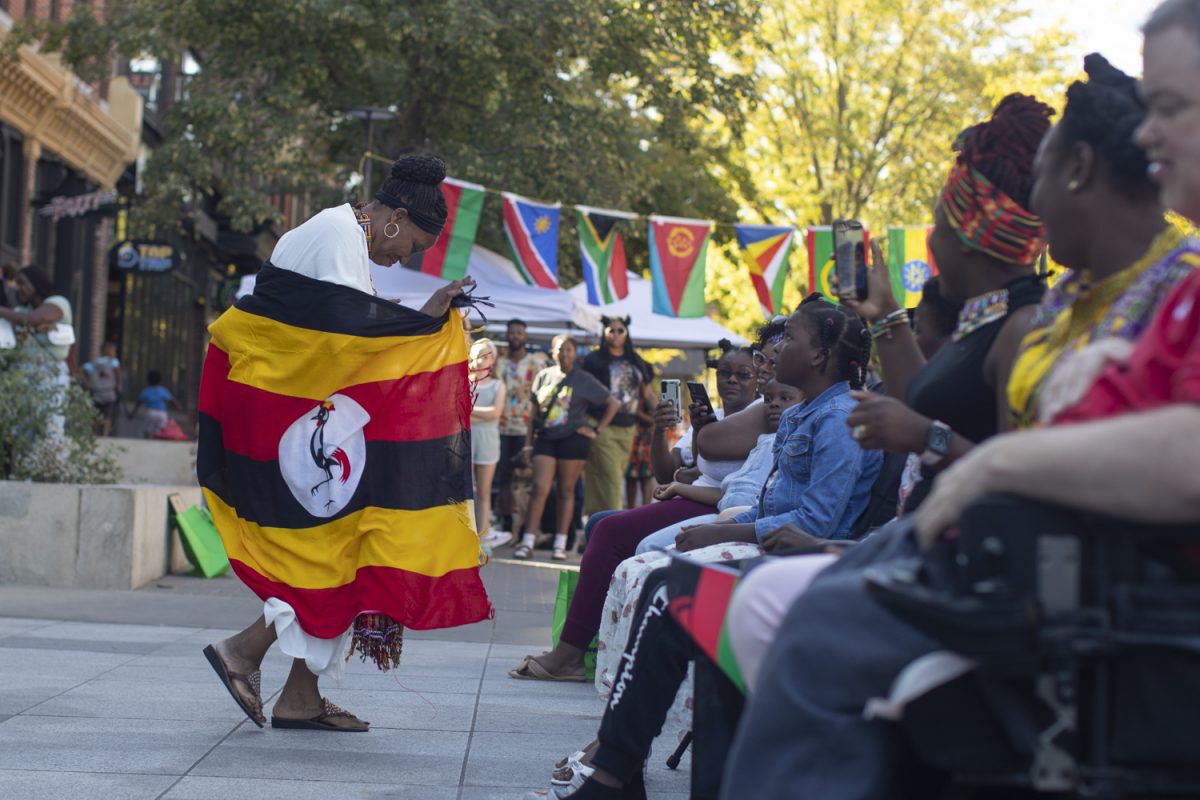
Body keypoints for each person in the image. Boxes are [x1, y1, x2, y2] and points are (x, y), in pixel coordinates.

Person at [722, 56, 1200, 798]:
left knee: (792, 622)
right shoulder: (1064, 304)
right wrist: (891, 328)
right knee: (758, 604)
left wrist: (944, 448)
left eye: (1173, 106)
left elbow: (997, 448)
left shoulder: (1100, 305)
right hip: (990, 548)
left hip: (1069, 587)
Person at [200, 154, 491, 733]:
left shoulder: (343, 238)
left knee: (345, 545)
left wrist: (424, 321)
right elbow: (343, 348)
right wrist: (423, 325)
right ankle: (244, 651)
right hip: (284, 424)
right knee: (331, 548)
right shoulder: (336, 235)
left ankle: (298, 694)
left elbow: (346, 340)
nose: (404, 256)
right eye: (410, 243)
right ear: (395, 218)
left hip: (300, 420)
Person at [549, 297, 883, 800]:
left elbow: (817, 521)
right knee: (635, 570)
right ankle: (620, 752)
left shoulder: (836, 418)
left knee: (661, 585)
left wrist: (727, 532)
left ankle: (618, 761)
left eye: (790, 338)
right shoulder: (799, 413)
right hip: (770, 538)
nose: (776, 348)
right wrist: (723, 525)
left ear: (819, 356)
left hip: (809, 555)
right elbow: (772, 499)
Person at [509, 342, 762, 681]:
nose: (732, 381)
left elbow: (714, 471)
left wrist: (687, 468)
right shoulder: (711, 412)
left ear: (760, 378)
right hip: (689, 495)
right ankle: (597, 642)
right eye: (724, 373)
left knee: (611, 532)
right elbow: (665, 469)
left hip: (713, 503)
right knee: (600, 522)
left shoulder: (762, 412)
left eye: (743, 375)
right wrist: (660, 429)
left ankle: (570, 653)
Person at [514, 335, 620, 561]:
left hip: (573, 439)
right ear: (553, 352)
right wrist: (527, 445)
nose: (565, 354)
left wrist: (596, 430)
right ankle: (527, 541)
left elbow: (613, 403)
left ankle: (560, 544)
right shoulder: (543, 376)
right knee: (539, 488)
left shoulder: (583, 379)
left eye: (569, 350)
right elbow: (532, 415)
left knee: (566, 490)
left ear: (575, 353)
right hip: (545, 438)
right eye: (560, 350)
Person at [580, 316, 654, 515]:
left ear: (627, 333)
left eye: (620, 330)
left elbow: (647, 393)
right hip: (602, 426)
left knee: (607, 478)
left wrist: (660, 414)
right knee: (613, 482)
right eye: (611, 330)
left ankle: (595, 524)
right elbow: (581, 392)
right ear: (604, 333)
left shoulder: (635, 360)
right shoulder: (593, 360)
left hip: (628, 429)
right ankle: (616, 526)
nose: (615, 334)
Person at [0, 266, 74, 440]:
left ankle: (50, 465)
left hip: (51, 377)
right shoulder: (20, 312)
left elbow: (34, 320)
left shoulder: (58, 303)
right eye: (17, 284)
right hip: (24, 378)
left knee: (50, 429)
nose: (19, 288)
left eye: (23, 283)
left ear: (36, 283)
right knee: (22, 431)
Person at [495, 318, 549, 537]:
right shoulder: (499, 362)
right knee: (505, 476)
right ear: (507, 335)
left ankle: (527, 523)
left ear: (525, 336)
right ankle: (507, 521)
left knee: (526, 478)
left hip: (525, 429)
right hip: (501, 427)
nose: (515, 336)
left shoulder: (535, 363)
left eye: (519, 333)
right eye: (512, 333)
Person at [469, 338, 508, 547]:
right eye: (475, 354)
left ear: (492, 358)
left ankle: (481, 538)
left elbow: (495, 413)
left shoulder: (497, 385)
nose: (478, 360)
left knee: (484, 491)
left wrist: (469, 409)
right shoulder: (464, 381)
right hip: (466, 439)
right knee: (465, 490)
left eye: (484, 355)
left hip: (487, 442)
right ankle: (463, 535)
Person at [623, 382, 657, 508]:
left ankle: (646, 509)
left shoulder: (649, 396)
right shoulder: (627, 393)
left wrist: (637, 412)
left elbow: (654, 420)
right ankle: (630, 511)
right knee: (630, 477)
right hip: (630, 439)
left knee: (646, 477)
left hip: (644, 441)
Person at [81, 341, 122, 437]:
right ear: (109, 351)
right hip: (109, 392)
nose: (115, 353)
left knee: (95, 415)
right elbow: (118, 372)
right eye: (114, 351)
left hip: (96, 392)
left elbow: (82, 369)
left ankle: (93, 433)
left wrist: (85, 381)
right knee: (107, 415)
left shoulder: (95, 362)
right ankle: (105, 434)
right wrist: (119, 385)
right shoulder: (114, 362)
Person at [127, 369, 179, 437]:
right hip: (162, 414)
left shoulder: (146, 391)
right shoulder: (163, 390)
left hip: (150, 413)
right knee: (161, 431)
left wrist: (132, 414)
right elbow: (172, 399)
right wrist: (178, 406)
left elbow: (138, 404)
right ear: (160, 380)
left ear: (148, 380)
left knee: (148, 430)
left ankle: (147, 441)